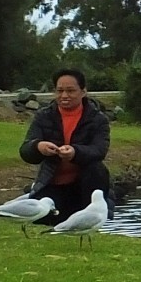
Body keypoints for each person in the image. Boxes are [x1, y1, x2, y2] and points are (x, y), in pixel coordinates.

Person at [19, 67, 113, 224]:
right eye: (59, 91)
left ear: (83, 92)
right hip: (52, 183)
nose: (64, 96)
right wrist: (38, 147)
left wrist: (75, 152)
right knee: (44, 220)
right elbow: (25, 151)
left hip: (84, 184)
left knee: (97, 169)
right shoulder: (43, 116)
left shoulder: (98, 119)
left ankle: (94, 211)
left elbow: (99, 150)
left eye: (70, 91)